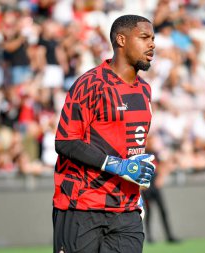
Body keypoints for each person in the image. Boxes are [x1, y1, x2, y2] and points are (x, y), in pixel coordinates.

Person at [52, 15, 156, 253]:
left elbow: (130, 145)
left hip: (126, 210)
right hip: (81, 206)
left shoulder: (145, 90)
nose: (152, 44)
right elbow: (66, 141)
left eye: (153, 38)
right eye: (144, 38)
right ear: (121, 39)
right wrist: (116, 165)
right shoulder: (90, 84)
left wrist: (137, 171)